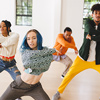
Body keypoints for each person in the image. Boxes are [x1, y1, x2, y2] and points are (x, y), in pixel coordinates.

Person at [52, 3, 100, 100]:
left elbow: (93, 34)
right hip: (83, 57)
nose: (98, 15)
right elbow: (89, 29)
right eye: (96, 13)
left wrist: (93, 37)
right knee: (69, 74)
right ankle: (58, 92)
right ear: (92, 14)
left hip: (97, 59)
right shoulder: (88, 22)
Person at [0, 29, 56, 100]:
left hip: (35, 87)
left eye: (34, 38)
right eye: (28, 39)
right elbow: (29, 64)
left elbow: (51, 59)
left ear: (38, 39)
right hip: (19, 85)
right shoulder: (26, 53)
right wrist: (50, 56)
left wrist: (54, 55)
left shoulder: (45, 51)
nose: (31, 41)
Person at [0, 20, 21, 100]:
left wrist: (2, 44)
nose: (1, 28)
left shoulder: (15, 35)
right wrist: (6, 43)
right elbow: (10, 41)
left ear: (8, 28)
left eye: (4, 26)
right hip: (1, 61)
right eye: (0, 26)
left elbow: (13, 40)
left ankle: (17, 97)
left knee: (19, 81)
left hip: (11, 64)